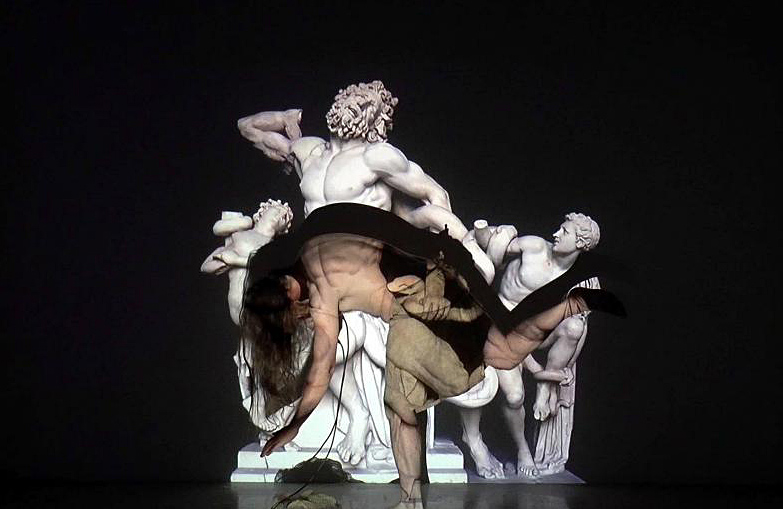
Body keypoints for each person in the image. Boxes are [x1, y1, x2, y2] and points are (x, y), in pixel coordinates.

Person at [460, 213, 601, 478]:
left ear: (580, 243)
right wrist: (488, 232)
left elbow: (579, 332)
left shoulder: (574, 279)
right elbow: (492, 246)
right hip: (499, 326)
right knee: (514, 397)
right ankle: (520, 448)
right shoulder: (535, 246)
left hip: (532, 334)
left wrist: (558, 374)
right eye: (560, 228)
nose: (556, 234)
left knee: (574, 326)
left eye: (565, 232)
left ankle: (545, 388)